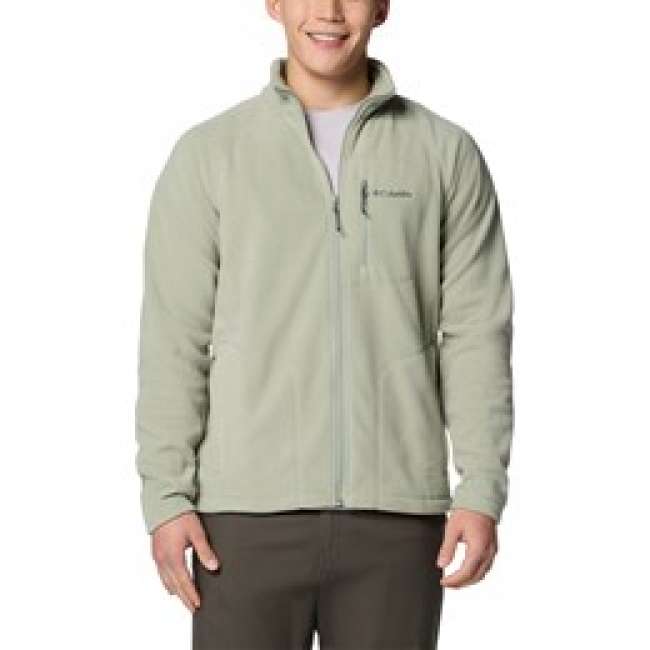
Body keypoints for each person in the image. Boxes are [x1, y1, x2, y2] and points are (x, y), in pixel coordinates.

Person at [134, 1, 514, 648]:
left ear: (382, 5)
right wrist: (166, 498)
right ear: (274, 4)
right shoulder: (209, 155)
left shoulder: (444, 154)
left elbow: (477, 333)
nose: (329, 11)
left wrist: (480, 489)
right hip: (243, 521)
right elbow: (175, 339)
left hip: (397, 520)